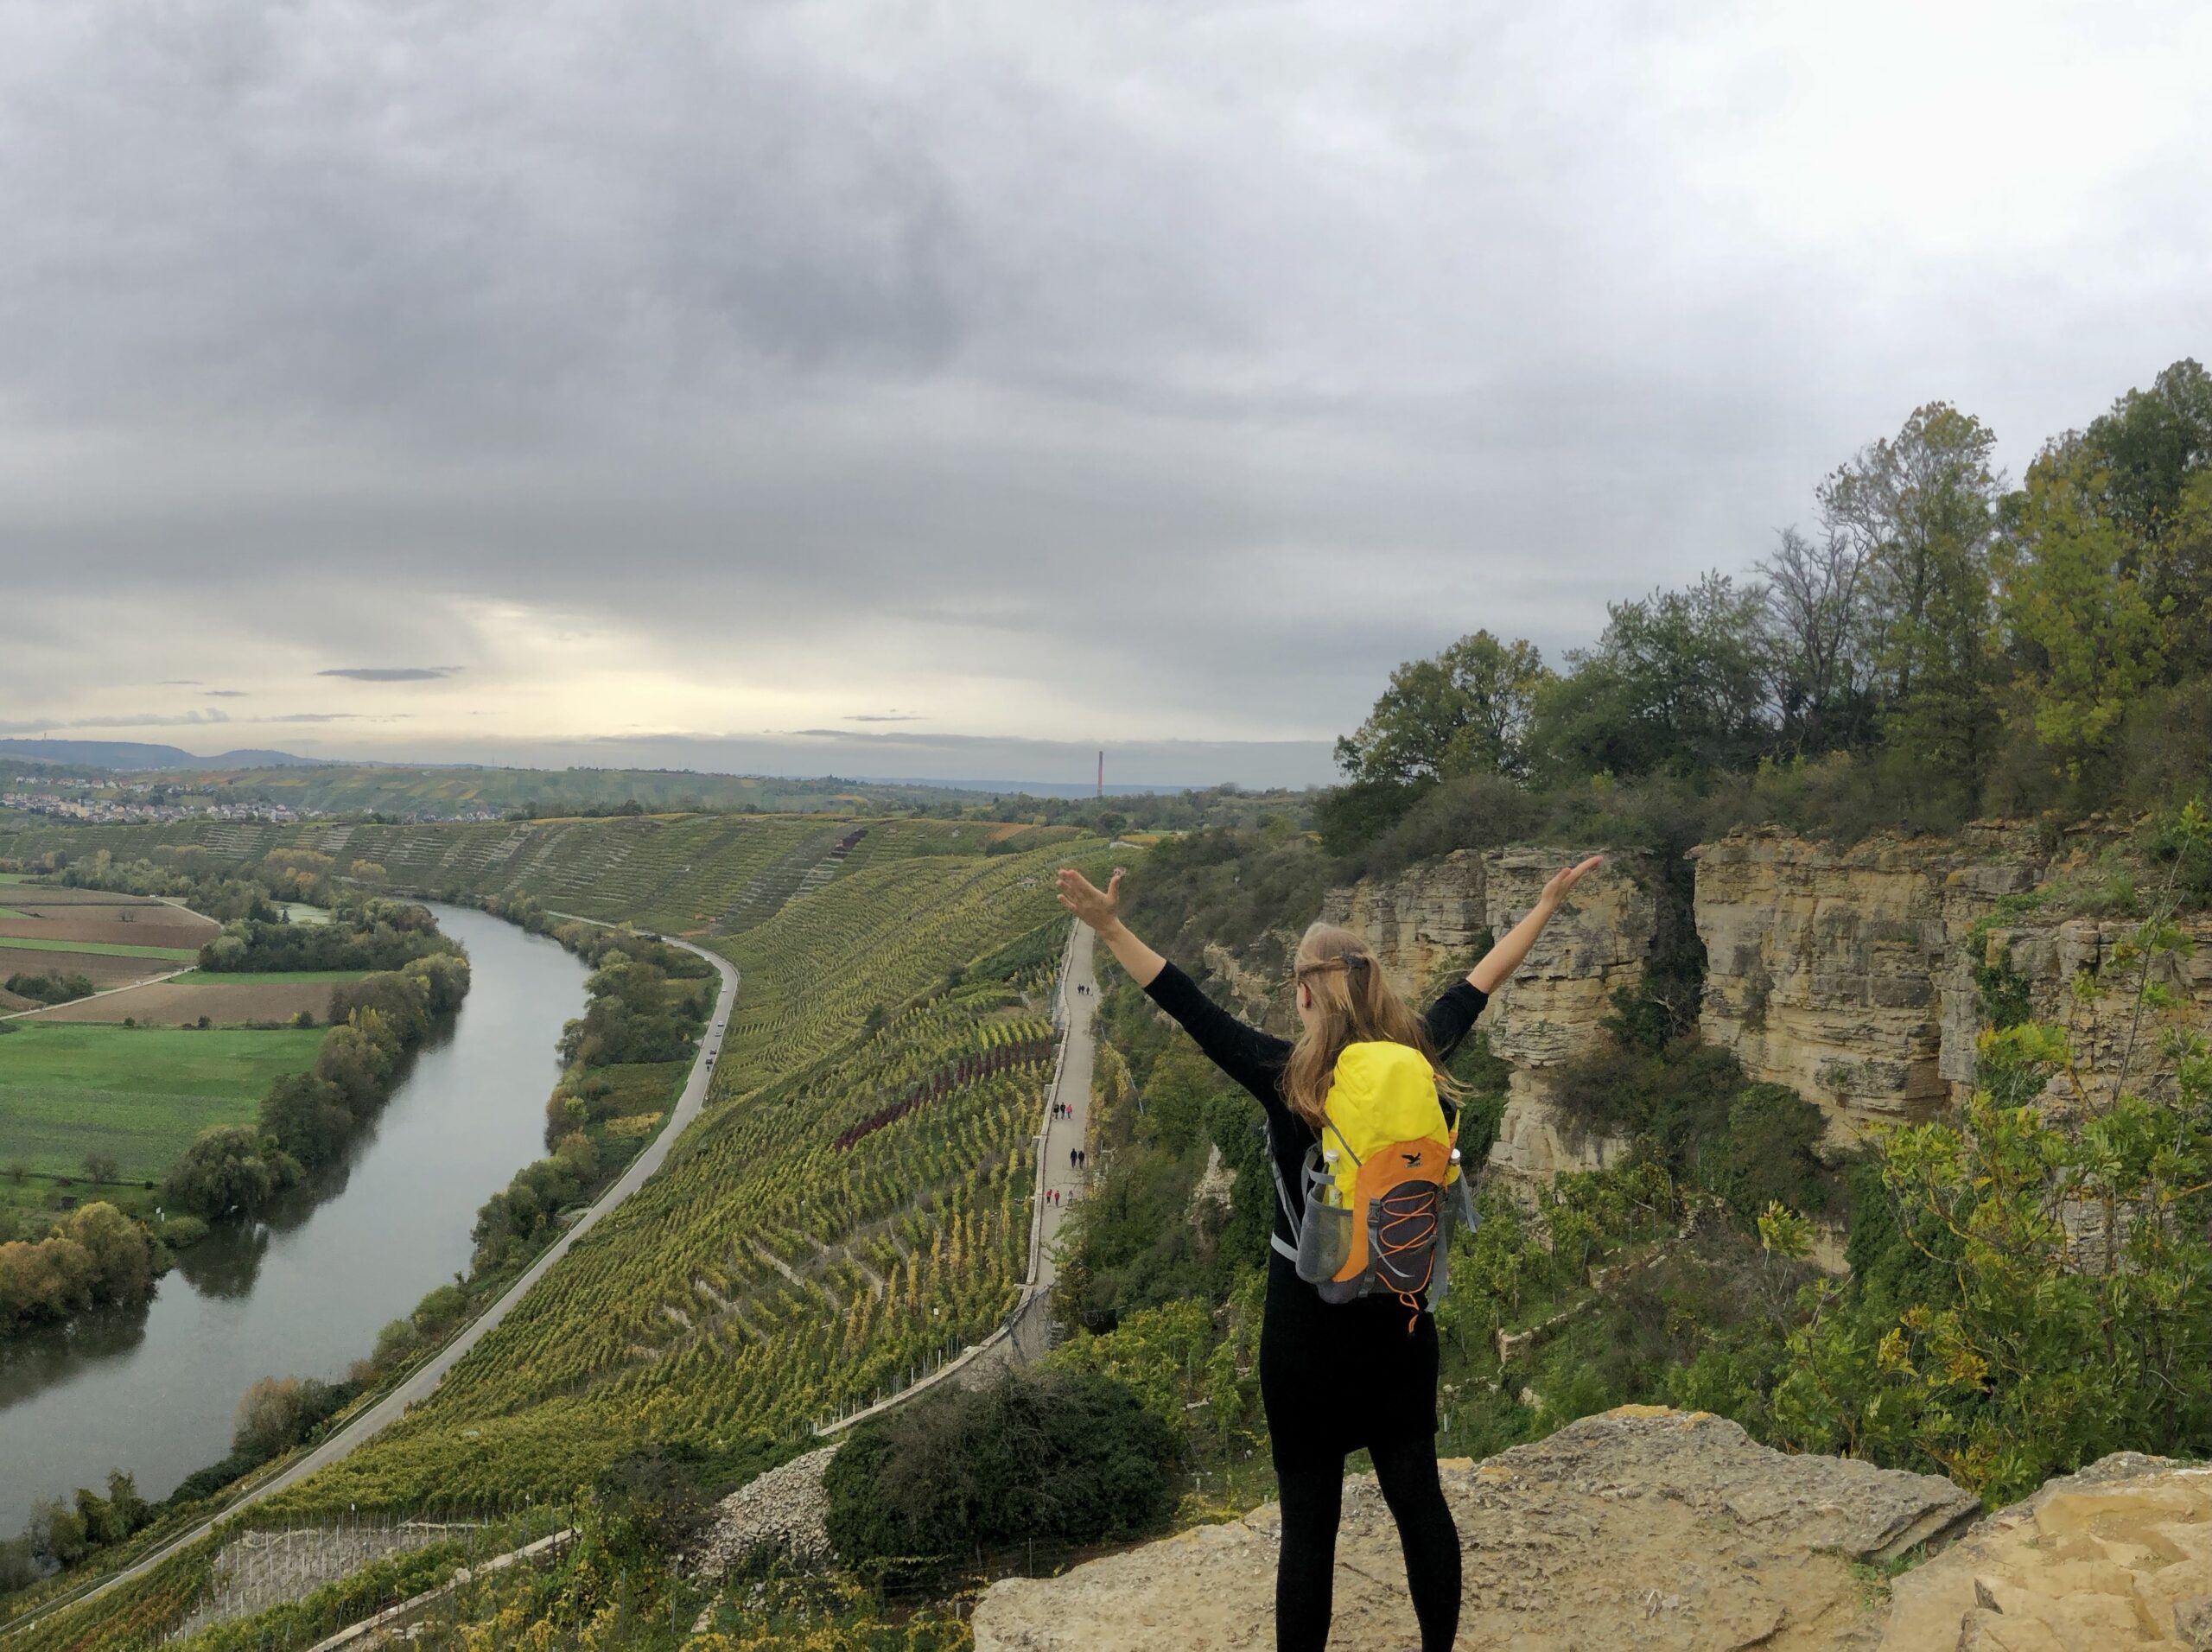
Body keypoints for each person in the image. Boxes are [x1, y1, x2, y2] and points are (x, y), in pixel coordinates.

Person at [1054, 855, 1602, 1652]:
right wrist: (1545, 904)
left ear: (1308, 991)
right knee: (1420, 1502)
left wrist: (1108, 927)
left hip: (1305, 1333)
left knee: (1310, 1531)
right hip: (1400, 1320)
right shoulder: (1419, 1051)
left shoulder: (1286, 1075)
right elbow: (1479, 984)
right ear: (1373, 985)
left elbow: (1184, 1001)